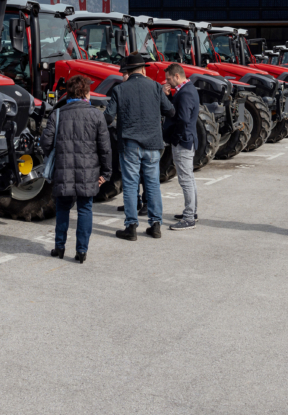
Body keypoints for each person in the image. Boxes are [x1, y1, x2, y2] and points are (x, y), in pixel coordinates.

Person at [41, 74, 111, 263]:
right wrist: (106, 172)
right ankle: (81, 251)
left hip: (63, 169)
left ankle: (59, 247)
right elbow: (105, 148)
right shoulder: (96, 114)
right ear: (85, 93)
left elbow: (45, 142)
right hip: (89, 171)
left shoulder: (57, 114)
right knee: (85, 208)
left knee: (62, 208)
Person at [107, 53, 174, 242]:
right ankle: (155, 225)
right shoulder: (155, 86)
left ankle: (131, 227)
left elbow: (108, 117)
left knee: (130, 184)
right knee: (152, 184)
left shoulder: (120, 89)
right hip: (153, 143)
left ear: (127, 71)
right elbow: (170, 111)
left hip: (129, 144)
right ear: (144, 69)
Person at [164, 63, 202, 231]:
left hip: (183, 141)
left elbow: (183, 119)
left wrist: (175, 138)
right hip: (188, 139)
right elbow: (179, 110)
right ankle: (191, 212)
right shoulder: (187, 89)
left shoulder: (185, 93)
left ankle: (189, 218)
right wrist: (170, 97)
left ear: (177, 76)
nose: (167, 81)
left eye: (168, 78)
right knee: (189, 178)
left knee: (185, 180)